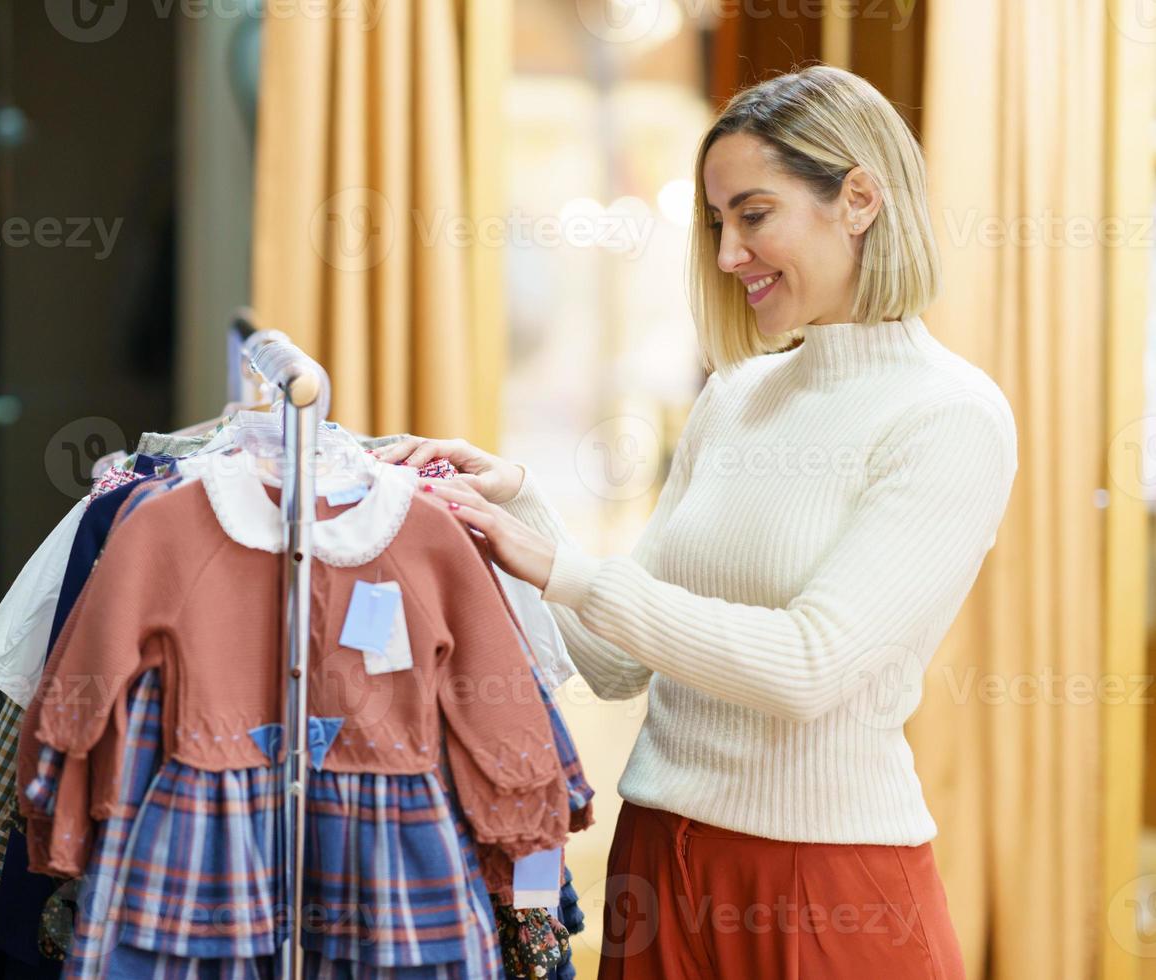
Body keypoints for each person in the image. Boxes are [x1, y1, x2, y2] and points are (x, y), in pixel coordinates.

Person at [375, 65, 1016, 979]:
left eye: (753, 216)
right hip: (658, 864)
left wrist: (564, 569)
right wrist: (511, 502)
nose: (727, 255)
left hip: (823, 886)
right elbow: (616, 661)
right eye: (719, 224)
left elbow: (810, 667)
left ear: (861, 198)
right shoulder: (740, 396)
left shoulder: (950, 416)